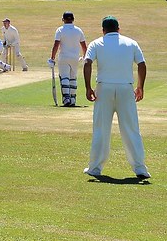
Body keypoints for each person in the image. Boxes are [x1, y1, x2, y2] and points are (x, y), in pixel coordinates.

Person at [82, 16, 151, 181]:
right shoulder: (131, 43)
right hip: (125, 89)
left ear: (103, 30)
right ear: (118, 29)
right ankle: (140, 168)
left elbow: (87, 63)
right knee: (131, 128)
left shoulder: (97, 43)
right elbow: (141, 64)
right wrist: (140, 86)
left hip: (103, 88)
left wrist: (88, 87)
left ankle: (95, 168)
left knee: (101, 129)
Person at [49, 11, 87, 107]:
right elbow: (84, 46)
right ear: (73, 19)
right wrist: (85, 56)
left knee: (64, 76)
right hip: (75, 58)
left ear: (63, 19)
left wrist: (52, 58)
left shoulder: (60, 30)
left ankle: (66, 98)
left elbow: (56, 45)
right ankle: (73, 99)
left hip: (64, 57)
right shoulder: (78, 30)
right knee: (73, 77)